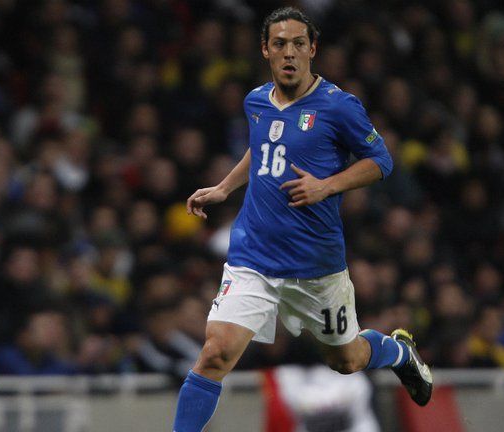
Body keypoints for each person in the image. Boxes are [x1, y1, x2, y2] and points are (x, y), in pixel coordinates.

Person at [173, 7, 432, 431]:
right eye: (280, 44)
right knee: (215, 352)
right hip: (253, 257)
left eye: (298, 44)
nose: (289, 53)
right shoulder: (256, 101)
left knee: (345, 360)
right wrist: (224, 188)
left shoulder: (339, 107)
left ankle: (398, 353)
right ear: (265, 50)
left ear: (312, 49)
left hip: (316, 266)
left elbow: (380, 160)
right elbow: (262, 148)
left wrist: (326, 185)